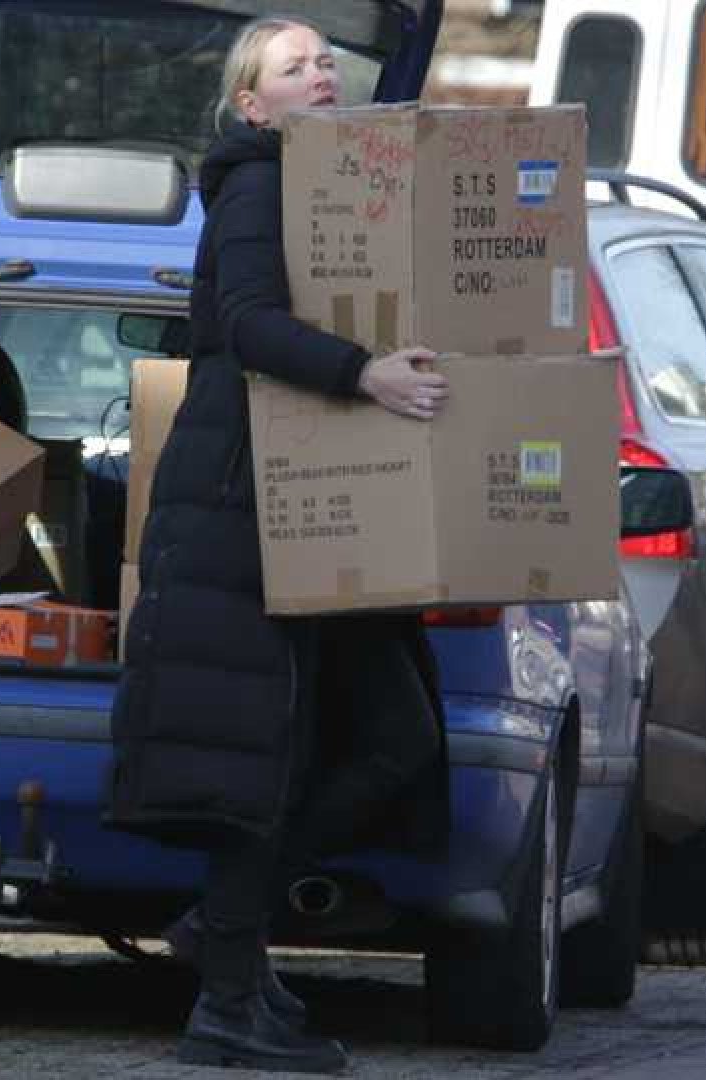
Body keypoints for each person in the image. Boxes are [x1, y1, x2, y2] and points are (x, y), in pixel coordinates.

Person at [106, 17, 448, 1074]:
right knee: (264, 746)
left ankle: (229, 943)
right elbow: (248, 320)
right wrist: (368, 373)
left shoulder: (339, 187)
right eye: (294, 66)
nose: (322, 71)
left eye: (325, 59)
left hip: (320, 505)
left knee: (395, 736)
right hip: (243, 504)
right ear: (253, 104)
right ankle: (227, 999)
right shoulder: (258, 180)